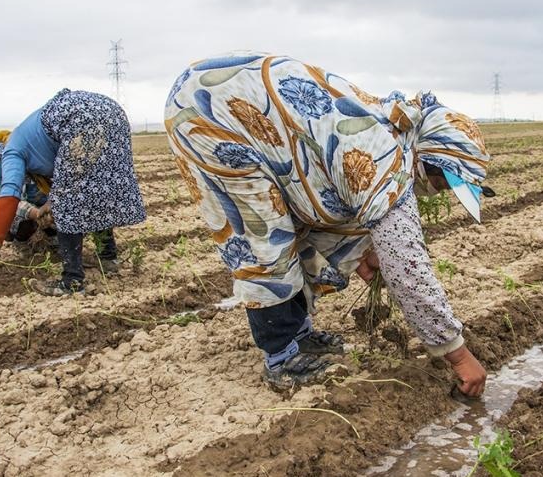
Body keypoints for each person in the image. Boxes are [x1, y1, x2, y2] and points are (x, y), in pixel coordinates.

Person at [165, 52, 493, 396]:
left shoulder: (389, 138)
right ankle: (281, 357)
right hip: (213, 114)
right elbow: (408, 269)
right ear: (429, 156)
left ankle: (299, 335)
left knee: (292, 230)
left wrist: (366, 251)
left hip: (241, 113)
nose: (437, 192)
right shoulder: (385, 158)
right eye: (442, 183)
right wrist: (458, 355)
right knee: (264, 239)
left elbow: (331, 205)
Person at [0, 89, 147, 295]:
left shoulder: (10, 152)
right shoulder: (28, 139)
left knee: (69, 200)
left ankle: (72, 282)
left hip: (78, 117)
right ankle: (108, 260)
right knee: (93, 191)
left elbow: (9, 195)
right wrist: (51, 202)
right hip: (113, 112)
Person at [0, 130, 59, 248]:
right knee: (12, 218)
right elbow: (11, 202)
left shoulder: (42, 163)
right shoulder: (10, 170)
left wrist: (51, 206)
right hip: (23, 214)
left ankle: (50, 239)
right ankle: (21, 243)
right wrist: (36, 213)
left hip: (42, 210)